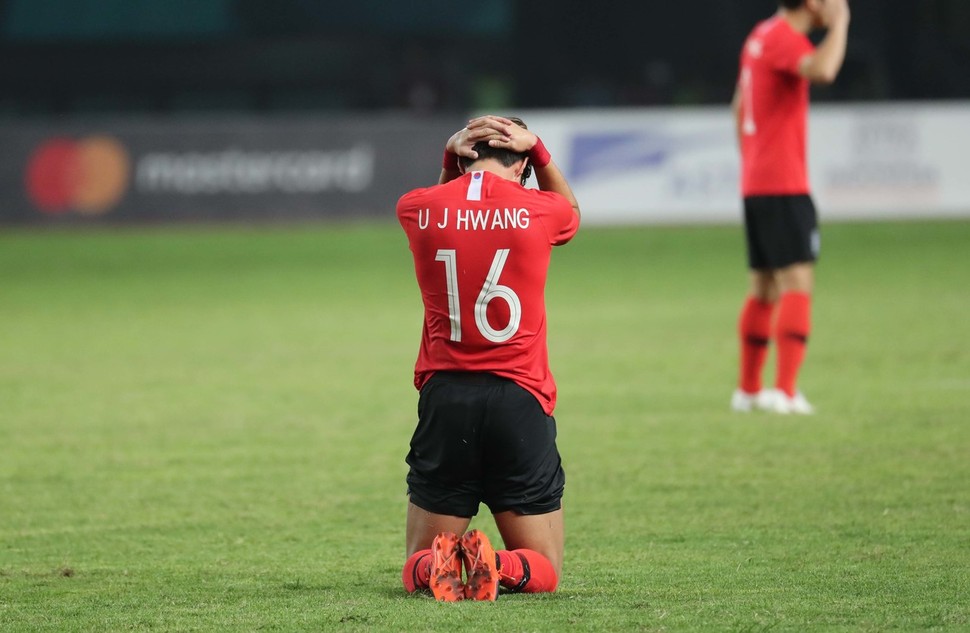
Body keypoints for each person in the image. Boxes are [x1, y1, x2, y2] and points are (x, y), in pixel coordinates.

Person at [396, 115, 580, 601]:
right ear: (520, 163)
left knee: (418, 564)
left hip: (446, 399)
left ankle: (449, 561)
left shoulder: (416, 208)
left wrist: (447, 160)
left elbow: (441, 212)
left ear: (462, 157)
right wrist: (538, 149)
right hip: (518, 398)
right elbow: (571, 212)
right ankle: (495, 563)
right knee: (544, 570)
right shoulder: (538, 210)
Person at [730, 0, 851, 415]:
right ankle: (785, 392)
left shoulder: (760, 35)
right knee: (797, 284)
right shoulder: (784, 38)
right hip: (783, 183)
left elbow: (738, 107)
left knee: (763, 287)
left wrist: (751, 162)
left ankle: (748, 391)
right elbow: (824, 70)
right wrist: (841, 25)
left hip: (757, 182)